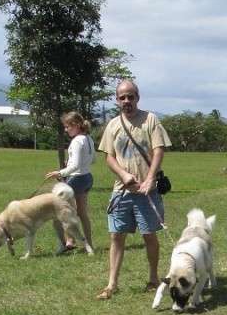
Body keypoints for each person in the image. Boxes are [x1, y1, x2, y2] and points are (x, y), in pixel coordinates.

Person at [95, 79, 172, 299]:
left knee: (149, 235)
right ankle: (111, 285)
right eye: (122, 97)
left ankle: (153, 278)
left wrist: (149, 180)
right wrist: (123, 174)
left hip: (148, 191)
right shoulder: (112, 125)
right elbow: (109, 157)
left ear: (138, 97)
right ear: (117, 99)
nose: (127, 100)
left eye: (131, 96)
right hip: (122, 191)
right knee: (116, 236)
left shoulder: (150, 120)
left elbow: (158, 151)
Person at [45, 111, 95, 254]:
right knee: (82, 213)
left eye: (68, 127)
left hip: (76, 179)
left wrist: (59, 173)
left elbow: (75, 166)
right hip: (87, 178)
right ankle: (88, 245)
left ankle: (66, 243)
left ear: (77, 125)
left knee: (58, 215)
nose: (66, 130)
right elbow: (93, 160)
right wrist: (72, 162)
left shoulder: (77, 141)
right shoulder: (88, 139)